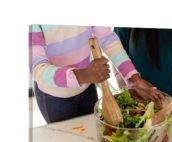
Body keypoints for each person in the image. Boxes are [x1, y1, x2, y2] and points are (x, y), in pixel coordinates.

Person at [30, 25, 163, 123]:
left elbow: (107, 39)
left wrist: (134, 78)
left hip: (87, 88)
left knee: (92, 135)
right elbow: (37, 68)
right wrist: (83, 75)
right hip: (54, 97)